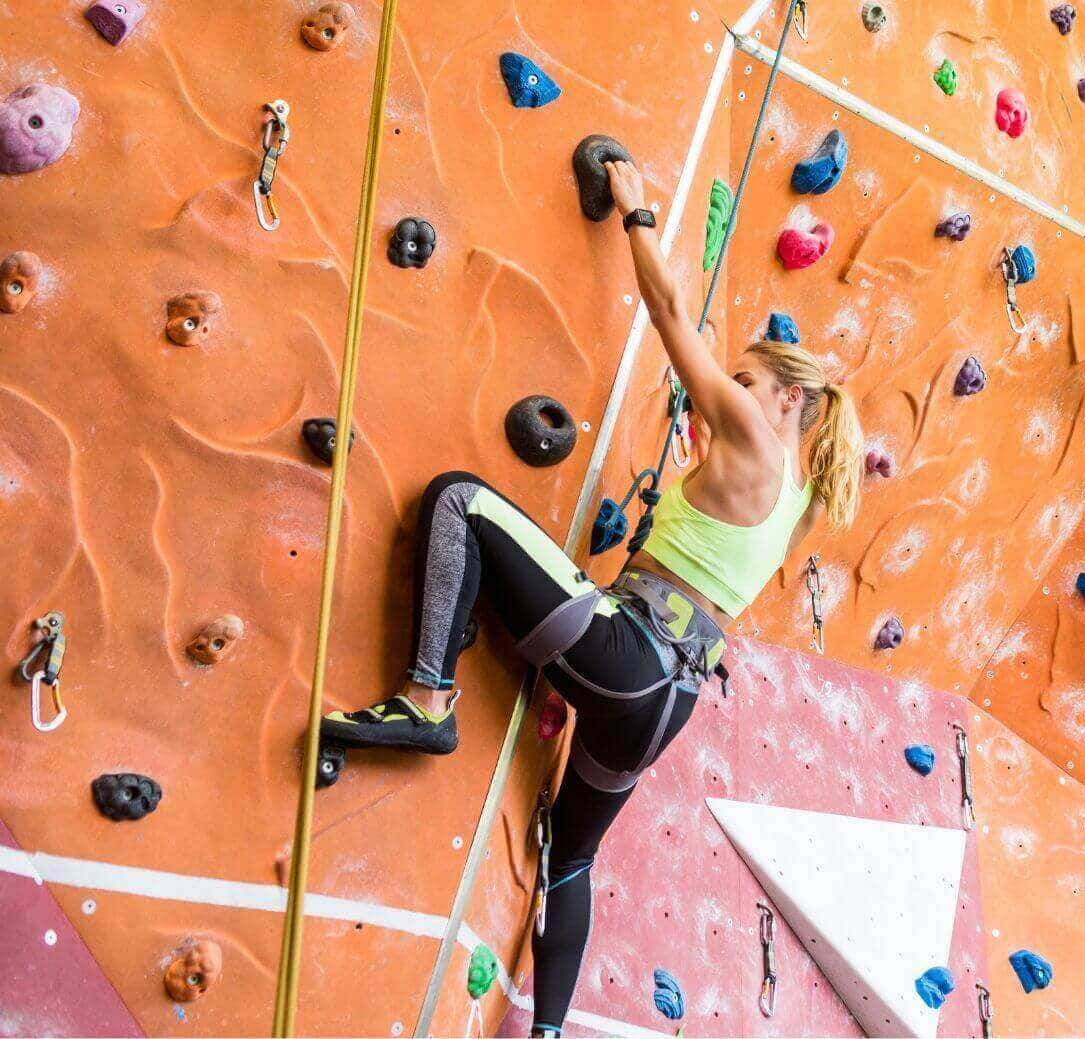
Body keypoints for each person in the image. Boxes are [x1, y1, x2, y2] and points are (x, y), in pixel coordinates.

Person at [318, 159, 862, 1037]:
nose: (738, 390)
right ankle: (546, 1031)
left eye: (751, 382)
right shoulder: (798, 500)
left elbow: (672, 315)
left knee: (460, 497)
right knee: (571, 856)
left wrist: (637, 211)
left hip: (629, 654)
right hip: (664, 706)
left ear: (788, 399)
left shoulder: (759, 434)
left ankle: (426, 698)